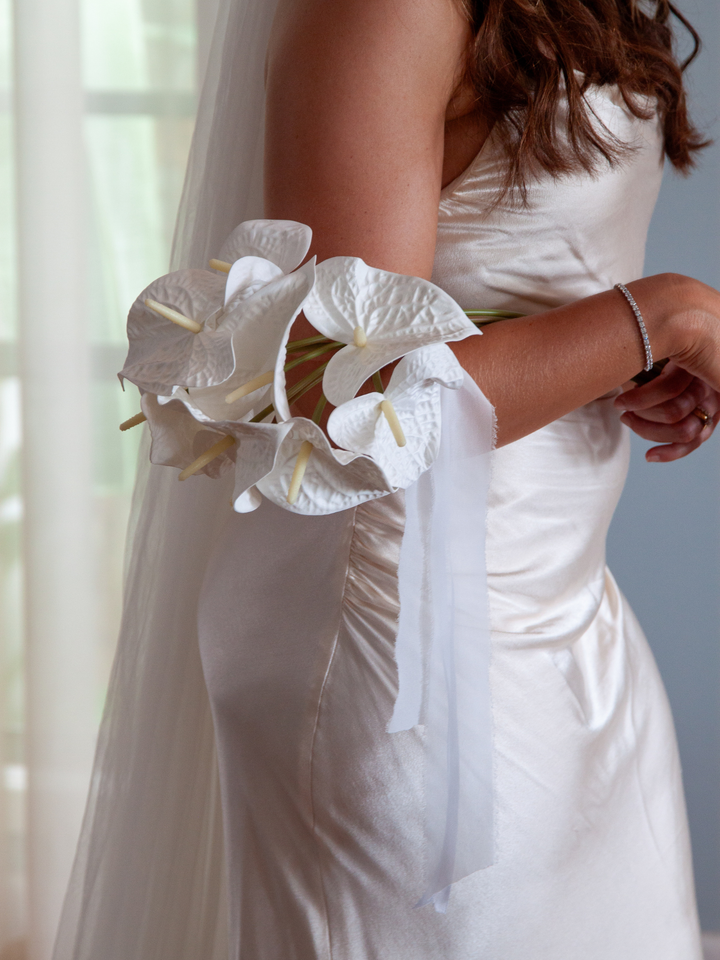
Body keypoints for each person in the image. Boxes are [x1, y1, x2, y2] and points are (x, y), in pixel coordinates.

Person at [53, 1, 720, 959]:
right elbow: (339, 393)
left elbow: (503, 284)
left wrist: (627, 358)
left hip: (572, 608)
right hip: (402, 634)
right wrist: (671, 317)